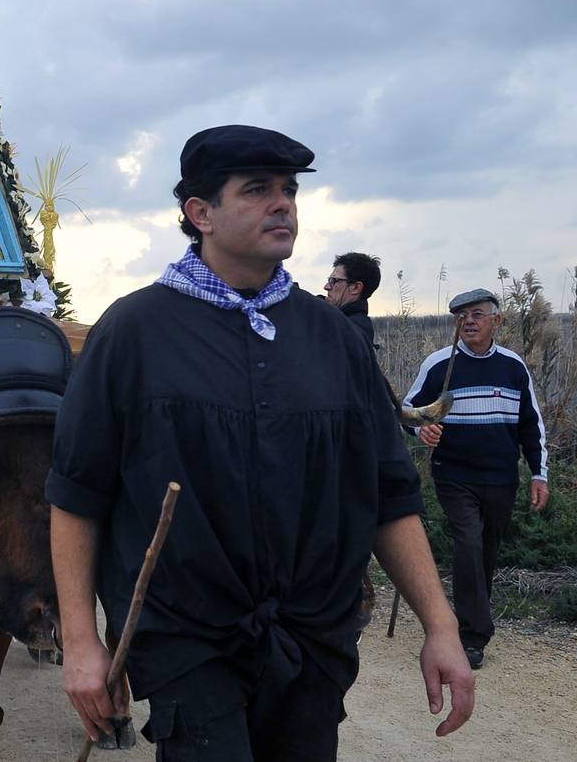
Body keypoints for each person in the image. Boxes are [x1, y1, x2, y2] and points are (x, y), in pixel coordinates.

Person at [48, 125, 474, 760]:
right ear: (201, 214)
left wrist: (441, 626)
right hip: (188, 640)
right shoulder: (133, 334)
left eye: (289, 190)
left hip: (313, 639)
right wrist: (82, 644)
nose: (283, 204)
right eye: (257, 190)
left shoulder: (333, 340)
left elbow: (389, 494)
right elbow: (77, 497)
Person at [404, 288, 550, 670]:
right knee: (468, 544)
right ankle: (471, 636)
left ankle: (469, 618)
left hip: (501, 478)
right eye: (461, 315)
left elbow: (531, 424)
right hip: (454, 476)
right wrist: (423, 431)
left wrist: (539, 473)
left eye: (477, 314)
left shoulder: (513, 366)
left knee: (484, 552)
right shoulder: (440, 364)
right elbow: (406, 412)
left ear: (496, 321)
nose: (468, 321)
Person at [323, 251, 382, 349]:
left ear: (355, 288)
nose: (327, 286)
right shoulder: (345, 322)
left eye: (333, 281)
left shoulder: (351, 330)